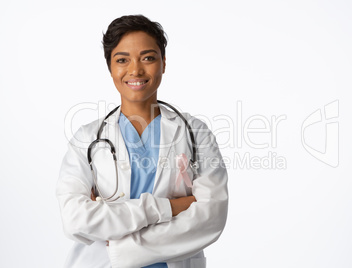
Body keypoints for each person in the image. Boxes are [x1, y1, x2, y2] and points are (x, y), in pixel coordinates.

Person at [56, 15, 228, 268]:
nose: (135, 70)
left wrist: (122, 246)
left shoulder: (195, 133)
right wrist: (170, 207)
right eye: (122, 60)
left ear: (164, 63)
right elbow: (75, 220)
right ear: (110, 67)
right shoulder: (87, 139)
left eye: (148, 58)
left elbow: (211, 218)